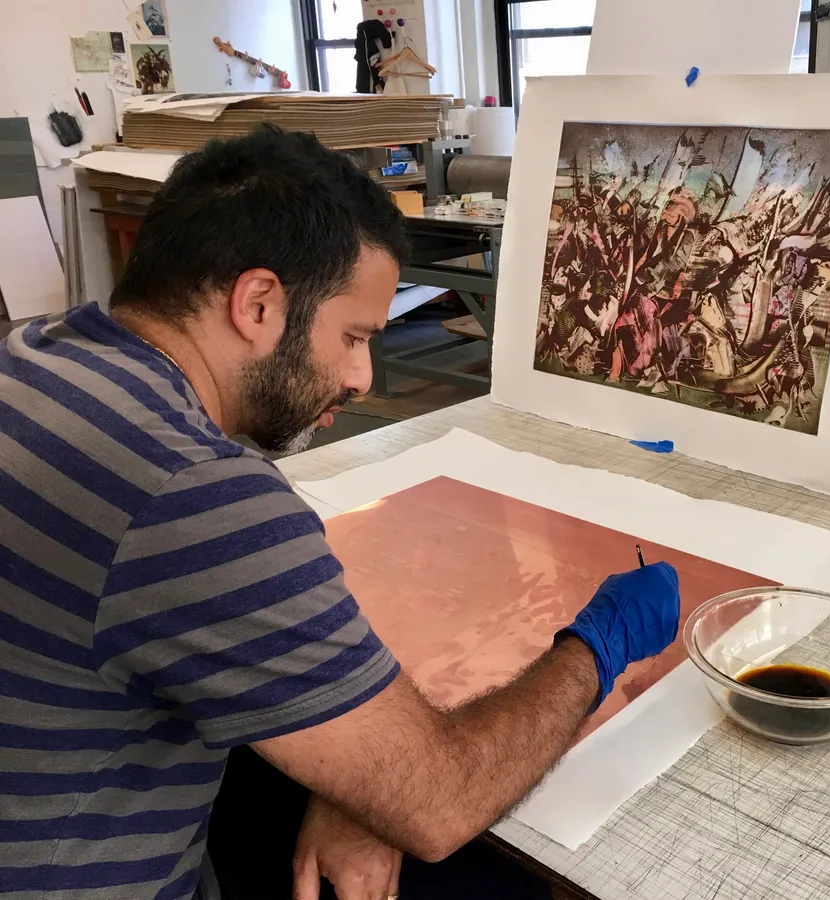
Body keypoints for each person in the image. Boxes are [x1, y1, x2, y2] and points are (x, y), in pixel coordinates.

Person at [0, 125, 682, 900]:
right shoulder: (191, 493)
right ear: (258, 303)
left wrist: (349, 766)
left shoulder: (39, 353)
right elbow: (439, 800)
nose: (361, 377)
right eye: (354, 336)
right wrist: (598, 644)